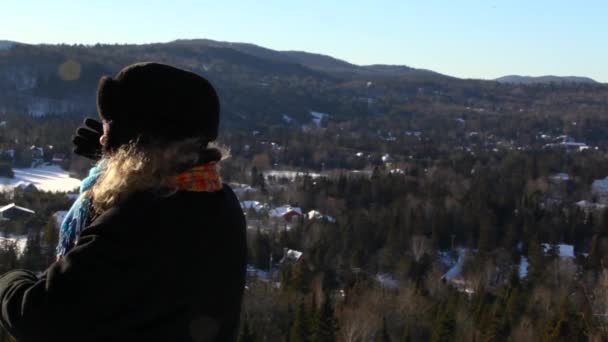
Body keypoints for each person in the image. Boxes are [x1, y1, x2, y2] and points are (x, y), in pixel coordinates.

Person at [0, 62, 247, 342]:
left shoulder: (135, 222)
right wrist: (115, 162)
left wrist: (10, 281)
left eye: (110, 128)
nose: (103, 138)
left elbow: (36, 317)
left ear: (137, 145)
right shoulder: (220, 201)